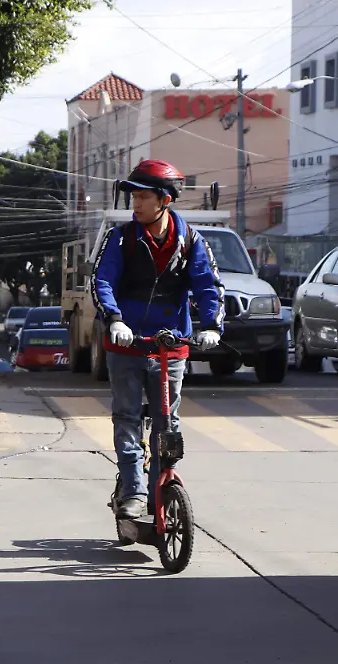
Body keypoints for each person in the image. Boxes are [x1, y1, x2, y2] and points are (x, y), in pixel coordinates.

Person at [91, 160, 225, 520]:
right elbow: (101, 281)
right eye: (133, 197)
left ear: (165, 200)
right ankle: (133, 490)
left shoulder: (192, 241)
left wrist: (212, 327)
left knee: (168, 422)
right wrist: (115, 320)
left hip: (170, 344)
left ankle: (159, 489)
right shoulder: (120, 238)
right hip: (127, 344)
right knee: (127, 417)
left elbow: (208, 286)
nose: (135, 204)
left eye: (143, 197)